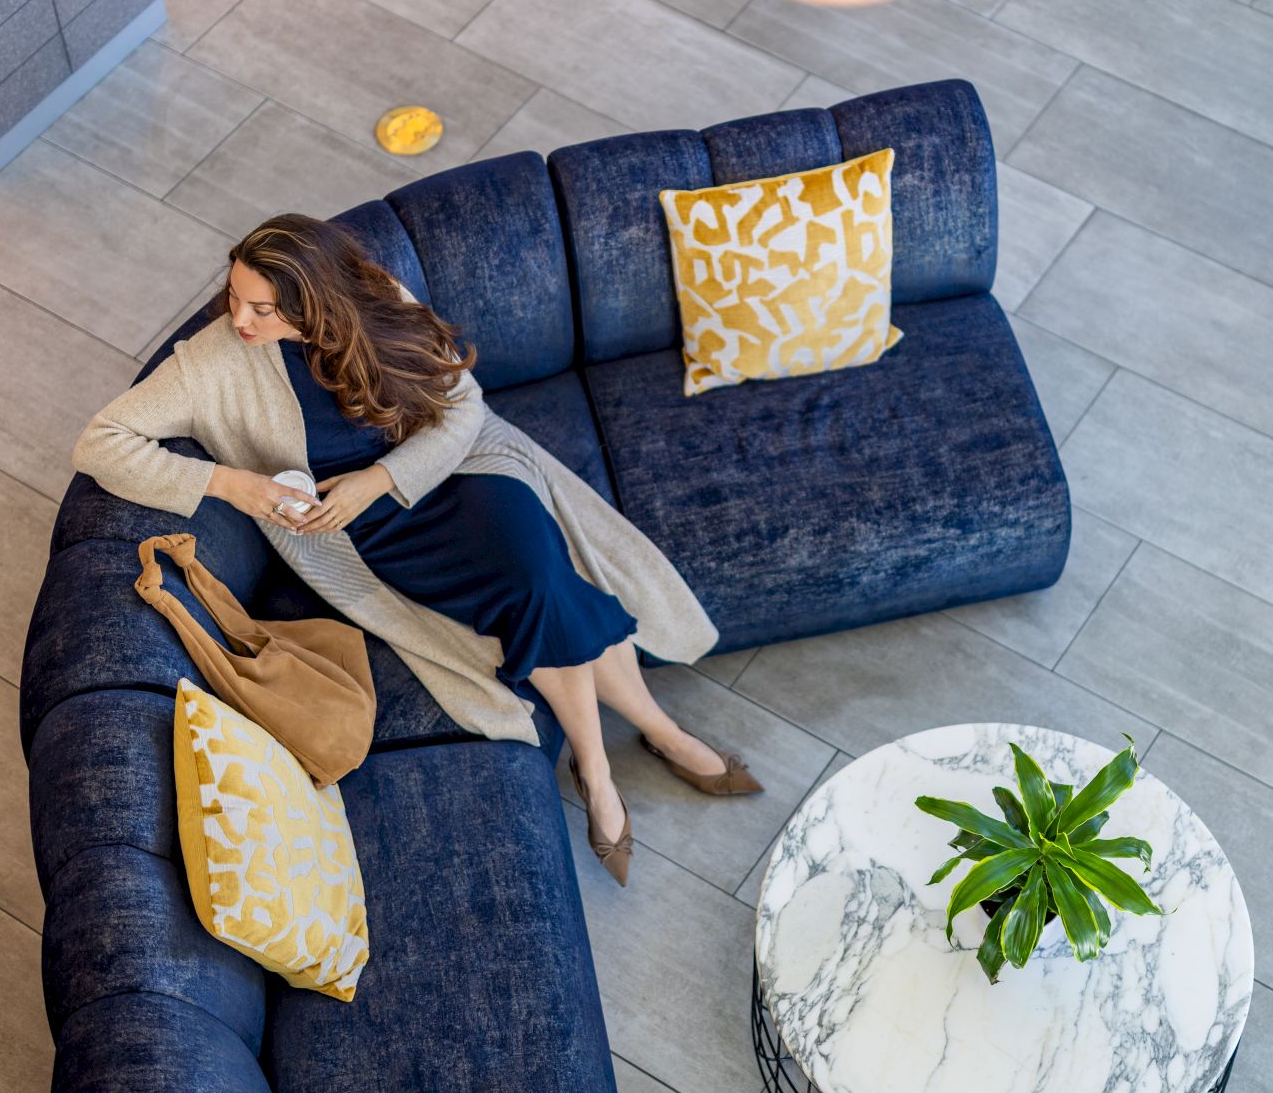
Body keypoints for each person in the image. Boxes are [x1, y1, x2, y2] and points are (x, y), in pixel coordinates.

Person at [74, 214, 762, 886]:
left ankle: (601, 768)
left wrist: (380, 478)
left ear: (318, 302)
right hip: (367, 532)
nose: (240, 320)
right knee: (546, 586)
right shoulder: (208, 364)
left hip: (459, 467)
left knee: (541, 580)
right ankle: (656, 739)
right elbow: (99, 444)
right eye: (234, 297)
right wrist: (232, 484)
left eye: (263, 309)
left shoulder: (376, 298)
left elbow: (463, 404)